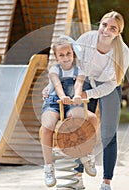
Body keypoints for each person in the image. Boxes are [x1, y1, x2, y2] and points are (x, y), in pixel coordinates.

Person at [43, 10, 129, 190]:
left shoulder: (123, 53)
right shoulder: (87, 39)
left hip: (108, 87)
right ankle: (79, 177)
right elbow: (67, 66)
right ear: (101, 24)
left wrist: (88, 95)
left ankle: (106, 182)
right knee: (80, 127)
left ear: (118, 33)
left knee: (108, 133)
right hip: (85, 82)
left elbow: (110, 84)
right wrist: (50, 86)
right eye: (105, 25)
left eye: (113, 28)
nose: (106, 30)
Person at [40, 37, 98, 188]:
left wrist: (77, 95)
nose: (66, 58)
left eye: (68, 54)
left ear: (73, 53)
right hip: (55, 102)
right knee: (47, 126)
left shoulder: (79, 71)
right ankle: (48, 168)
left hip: (71, 102)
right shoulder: (54, 70)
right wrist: (62, 96)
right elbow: (57, 85)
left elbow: (78, 84)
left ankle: (87, 154)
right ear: (56, 57)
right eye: (62, 55)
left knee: (90, 119)